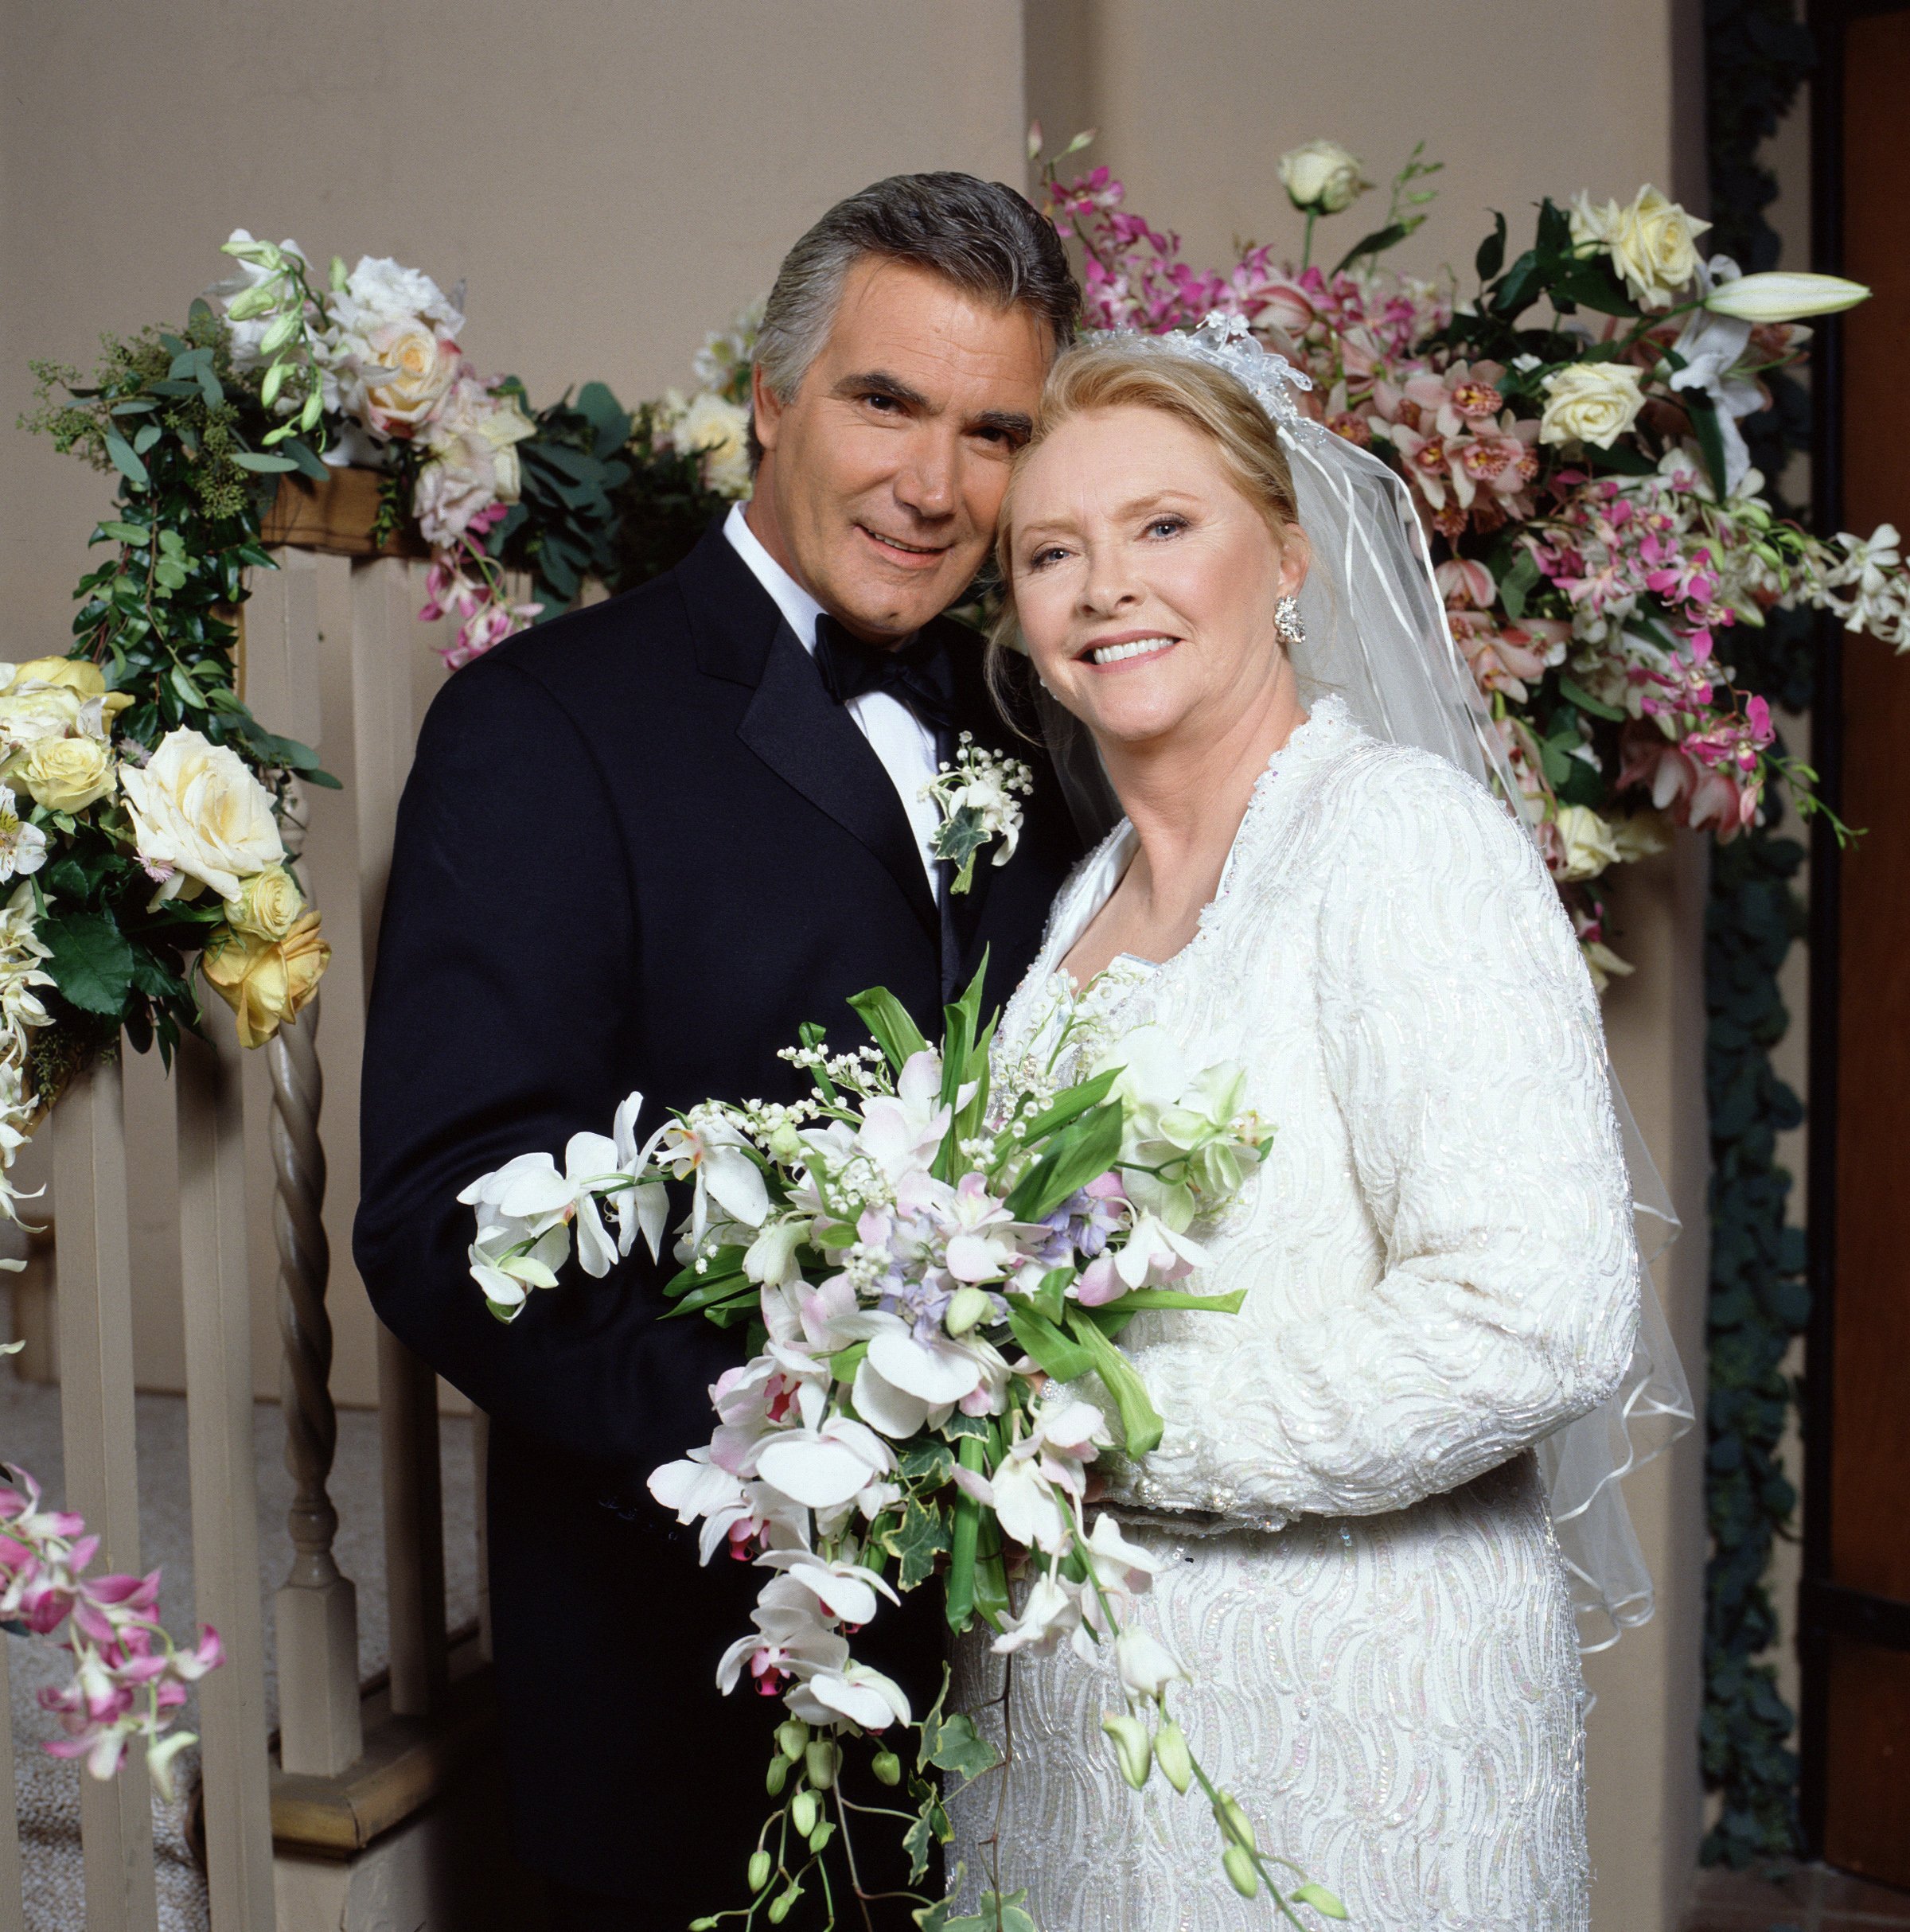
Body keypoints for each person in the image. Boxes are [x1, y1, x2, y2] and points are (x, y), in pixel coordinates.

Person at [353, 173, 1086, 1929]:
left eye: (995, 431)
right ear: (768, 399)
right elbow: (447, 1215)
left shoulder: (1046, 722)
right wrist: (800, 1457)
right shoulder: (543, 726)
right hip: (687, 1678)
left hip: (1021, 1694)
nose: (934, 484)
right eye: (884, 401)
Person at [948, 330, 1645, 1927]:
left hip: (1351, 1746)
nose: (1104, 585)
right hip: (1071, 1746)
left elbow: (1537, 1310)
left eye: (1163, 527)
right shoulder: (1077, 907)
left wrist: (1100, 1430)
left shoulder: (1403, 841)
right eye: (1053, 552)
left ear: (1289, 552)